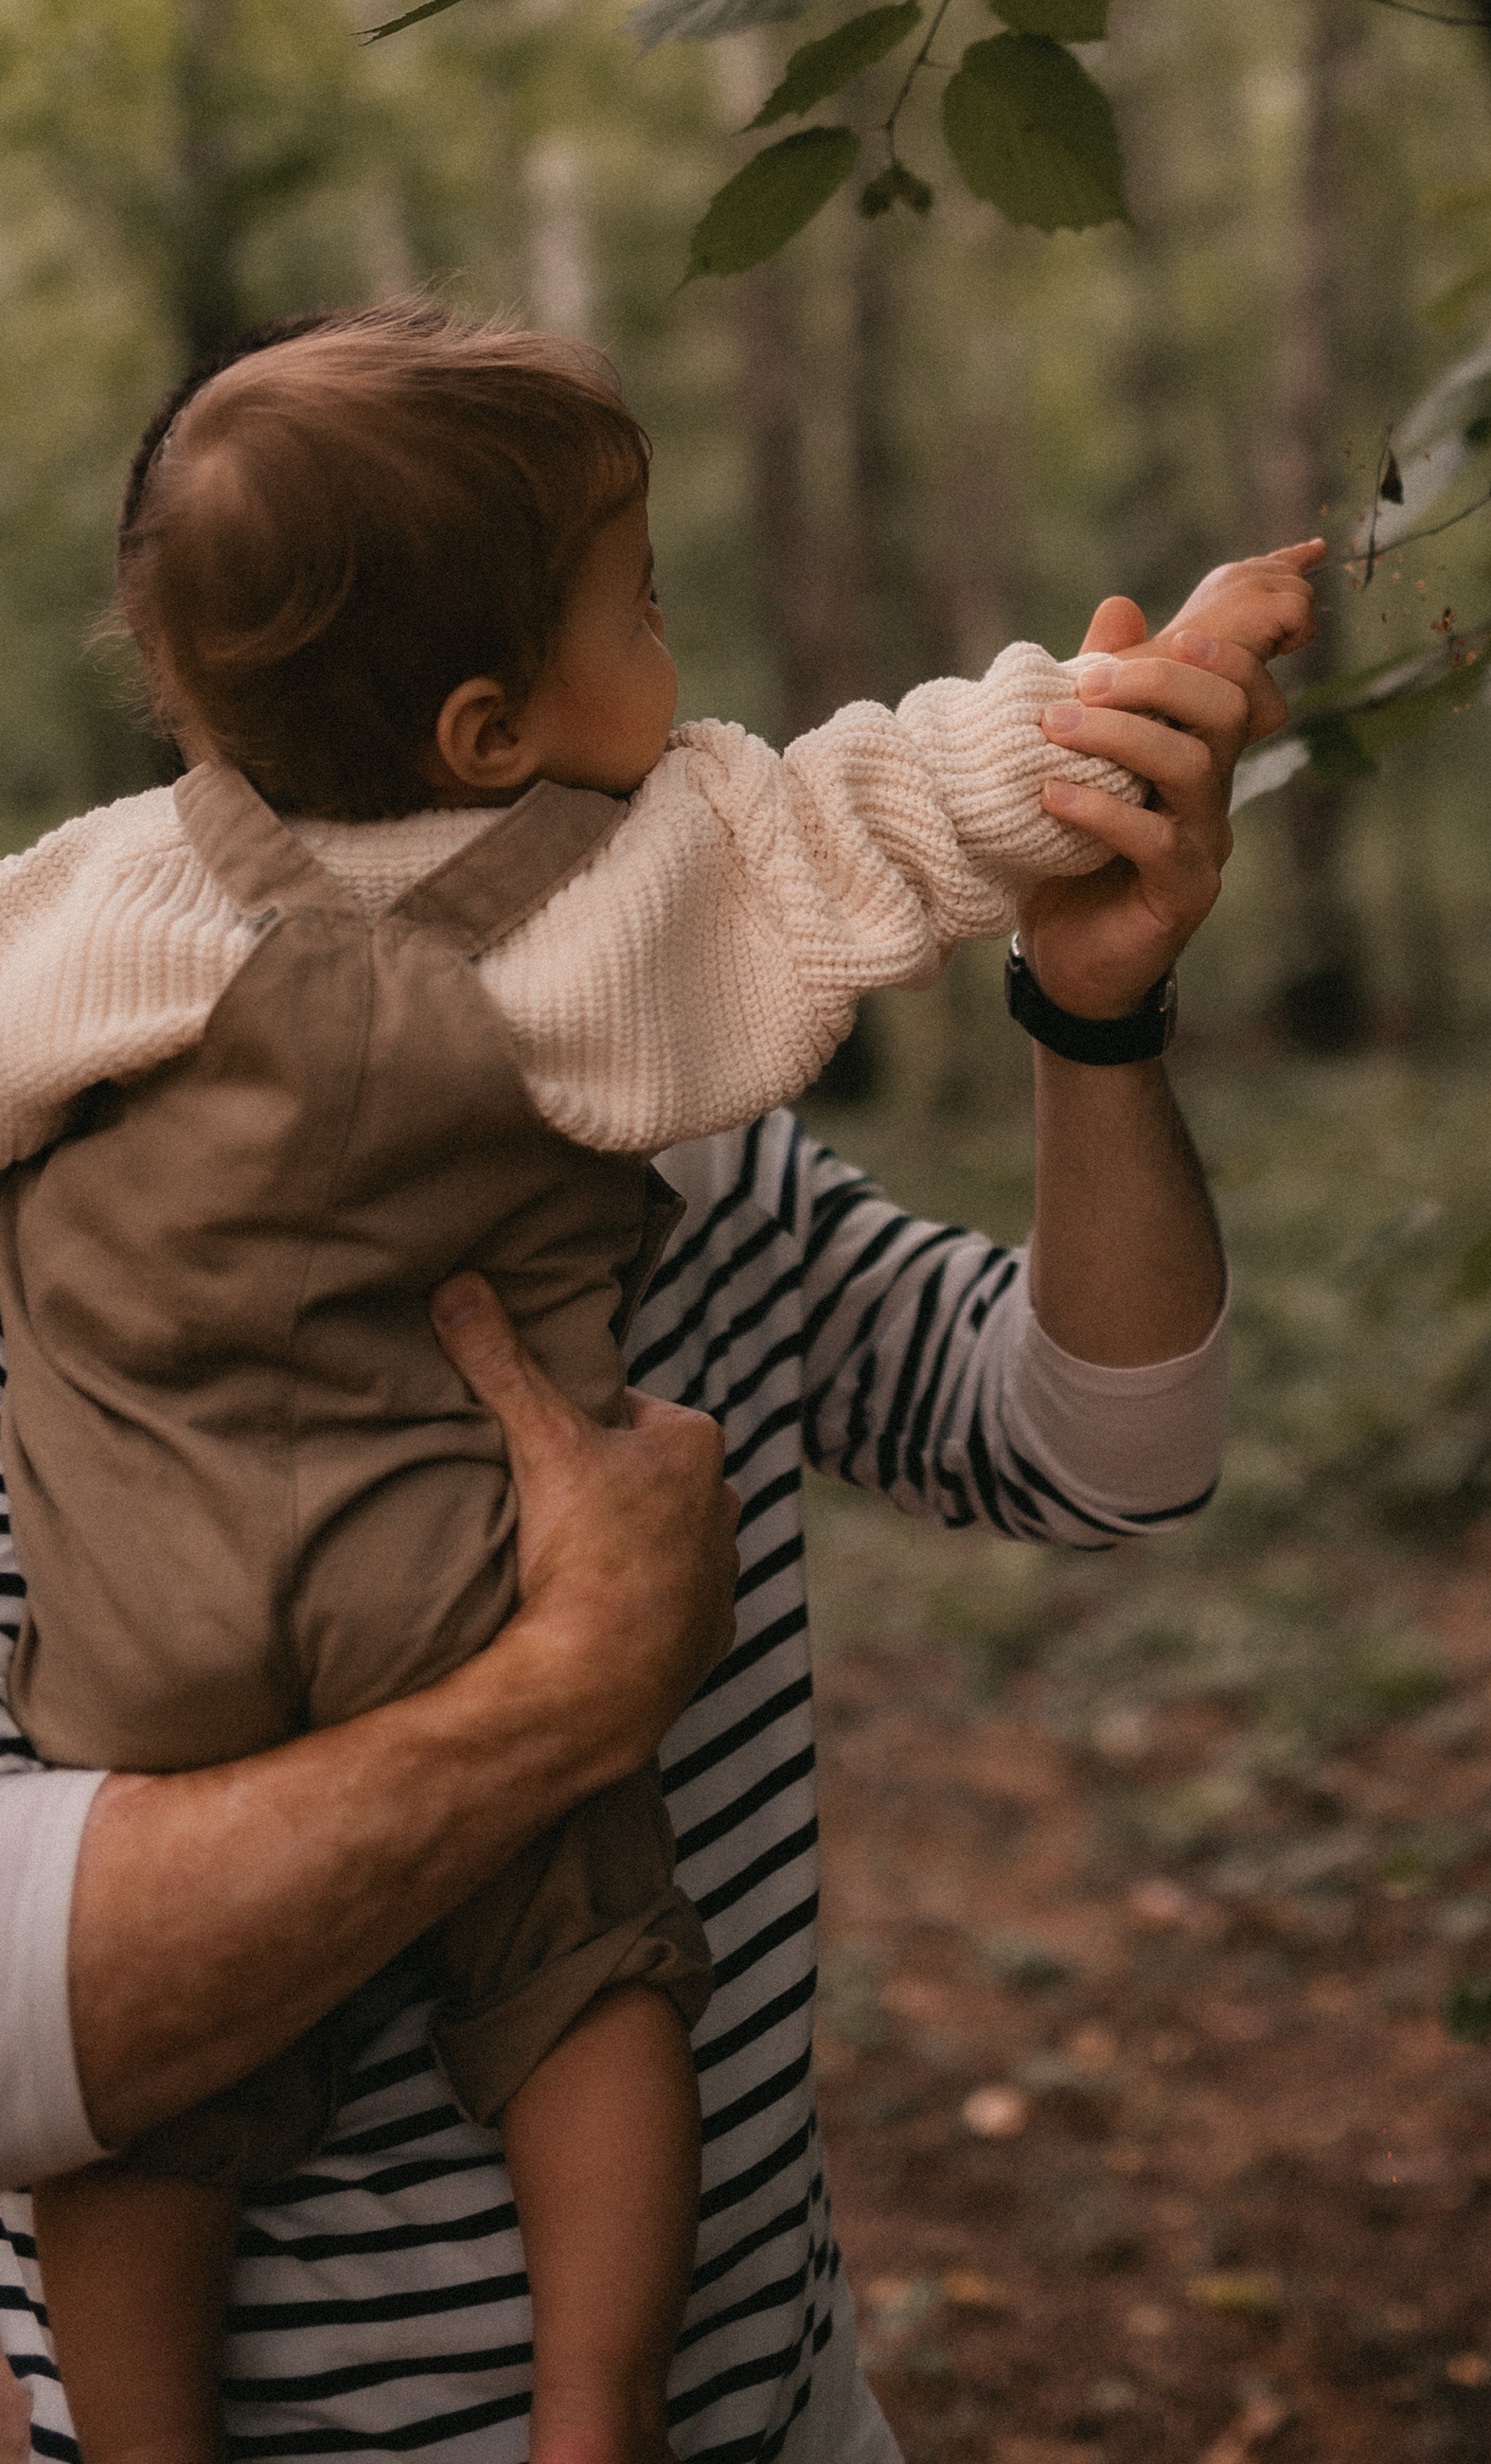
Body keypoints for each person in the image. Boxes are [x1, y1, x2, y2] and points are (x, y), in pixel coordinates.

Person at [0, 304, 1316, 2464]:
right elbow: (896, 799)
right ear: (494, 724)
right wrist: (566, 1688)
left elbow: (1104, 1458)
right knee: (592, 1973)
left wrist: (1090, 1020)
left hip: (764, 2424)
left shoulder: (676, 1144)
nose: (676, 628)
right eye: (637, 596)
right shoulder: (618, 973)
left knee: (179, 2133)